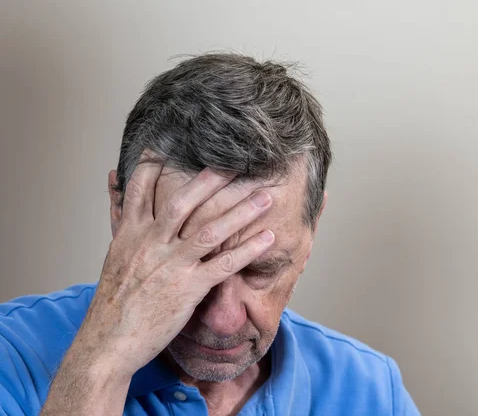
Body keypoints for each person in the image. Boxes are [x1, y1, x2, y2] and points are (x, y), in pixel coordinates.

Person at [0, 53, 420, 416]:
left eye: (260, 271)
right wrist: (101, 366)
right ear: (119, 210)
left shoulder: (370, 390)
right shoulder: (11, 357)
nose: (222, 320)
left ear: (314, 226)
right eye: (190, 265)